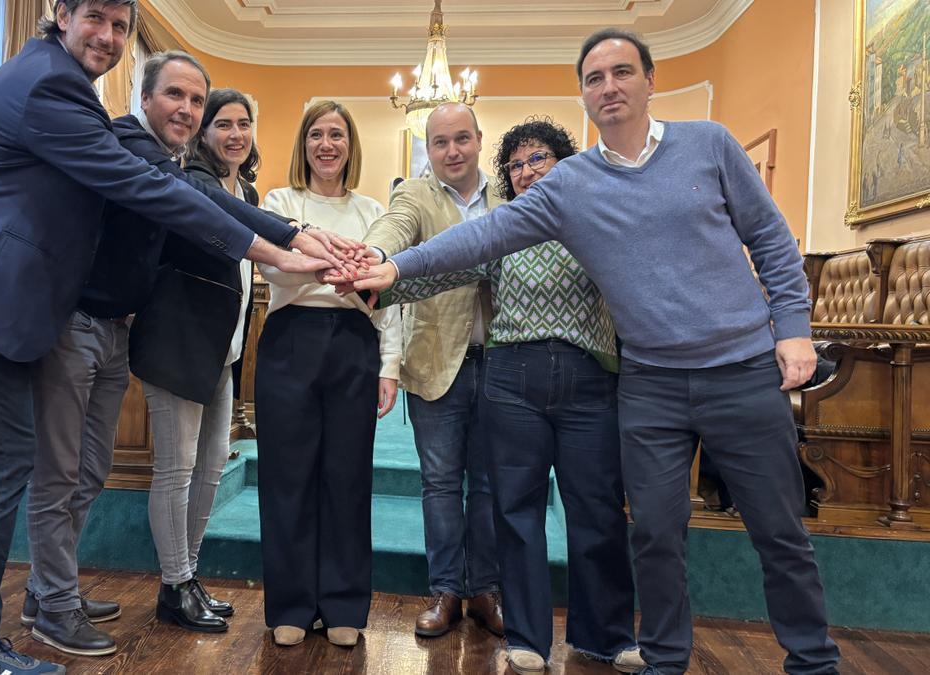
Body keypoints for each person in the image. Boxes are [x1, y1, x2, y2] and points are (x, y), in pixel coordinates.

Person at [0, 2, 345, 673]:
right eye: (95, 19)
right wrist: (273, 249)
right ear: (59, 14)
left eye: (119, 25)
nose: (107, 36)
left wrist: (285, 234)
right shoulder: (54, 85)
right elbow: (145, 186)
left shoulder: (47, 78)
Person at [347, 29, 841, 675]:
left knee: (779, 532)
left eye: (622, 72)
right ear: (583, 94)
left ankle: (813, 661)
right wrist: (391, 267)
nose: (608, 86)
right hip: (652, 383)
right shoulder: (570, 185)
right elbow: (478, 240)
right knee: (656, 534)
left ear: (650, 80)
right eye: (594, 77)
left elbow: (773, 242)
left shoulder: (710, 144)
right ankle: (665, 658)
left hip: (739, 368)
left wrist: (794, 327)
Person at [375, 118, 642, 674]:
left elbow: (634, 287)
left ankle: (608, 636)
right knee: (516, 511)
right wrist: (379, 279)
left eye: (538, 159)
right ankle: (526, 637)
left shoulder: (593, 222)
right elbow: (445, 268)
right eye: (517, 164)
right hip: (513, 381)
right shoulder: (504, 226)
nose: (527, 172)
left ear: (562, 163)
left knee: (595, 510)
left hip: (588, 382)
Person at [126, 86, 273, 634]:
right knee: (177, 469)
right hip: (179, 345)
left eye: (244, 124)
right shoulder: (192, 183)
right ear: (204, 133)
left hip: (225, 349)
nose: (236, 135)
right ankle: (175, 583)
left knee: (211, 469)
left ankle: (185, 578)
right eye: (223, 124)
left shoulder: (251, 191)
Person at [255, 100, 401, 648]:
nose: (326, 144)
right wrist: (328, 266)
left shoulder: (372, 211)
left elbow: (387, 296)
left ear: (350, 144)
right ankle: (291, 604)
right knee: (286, 477)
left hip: (354, 342)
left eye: (336, 134)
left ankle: (342, 603)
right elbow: (272, 267)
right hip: (290, 340)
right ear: (304, 144)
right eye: (316, 134)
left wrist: (389, 367)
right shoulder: (280, 201)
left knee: (347, 476)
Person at [361, 102, 503, 639]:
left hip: (500, 362)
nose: (452, 151)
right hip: (435, 360)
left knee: (489, 485)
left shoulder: (506, 195)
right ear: (428, 147)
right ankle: (444, 591)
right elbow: (393, 227)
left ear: (478, 139)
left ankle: (486, 591)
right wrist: (375, 253)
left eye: (461, 139)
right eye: (440, 142)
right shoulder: (414, 194)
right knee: (440, 484)